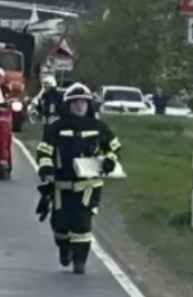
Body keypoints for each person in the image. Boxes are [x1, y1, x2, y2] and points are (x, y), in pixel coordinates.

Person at [35, 82, 122, 274]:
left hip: (88, 184)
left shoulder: (99, 127)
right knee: (59, 223)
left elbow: (115, 147)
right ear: (68, 105)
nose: (79, 106)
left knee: (81, 220)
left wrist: (109, 160)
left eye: (83, 102)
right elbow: (44, 151)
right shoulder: (55, 128)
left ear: (89, 105)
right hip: (61, 184)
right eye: (75, 102)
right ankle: (64, 249)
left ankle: (80, 260)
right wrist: (46, 168)